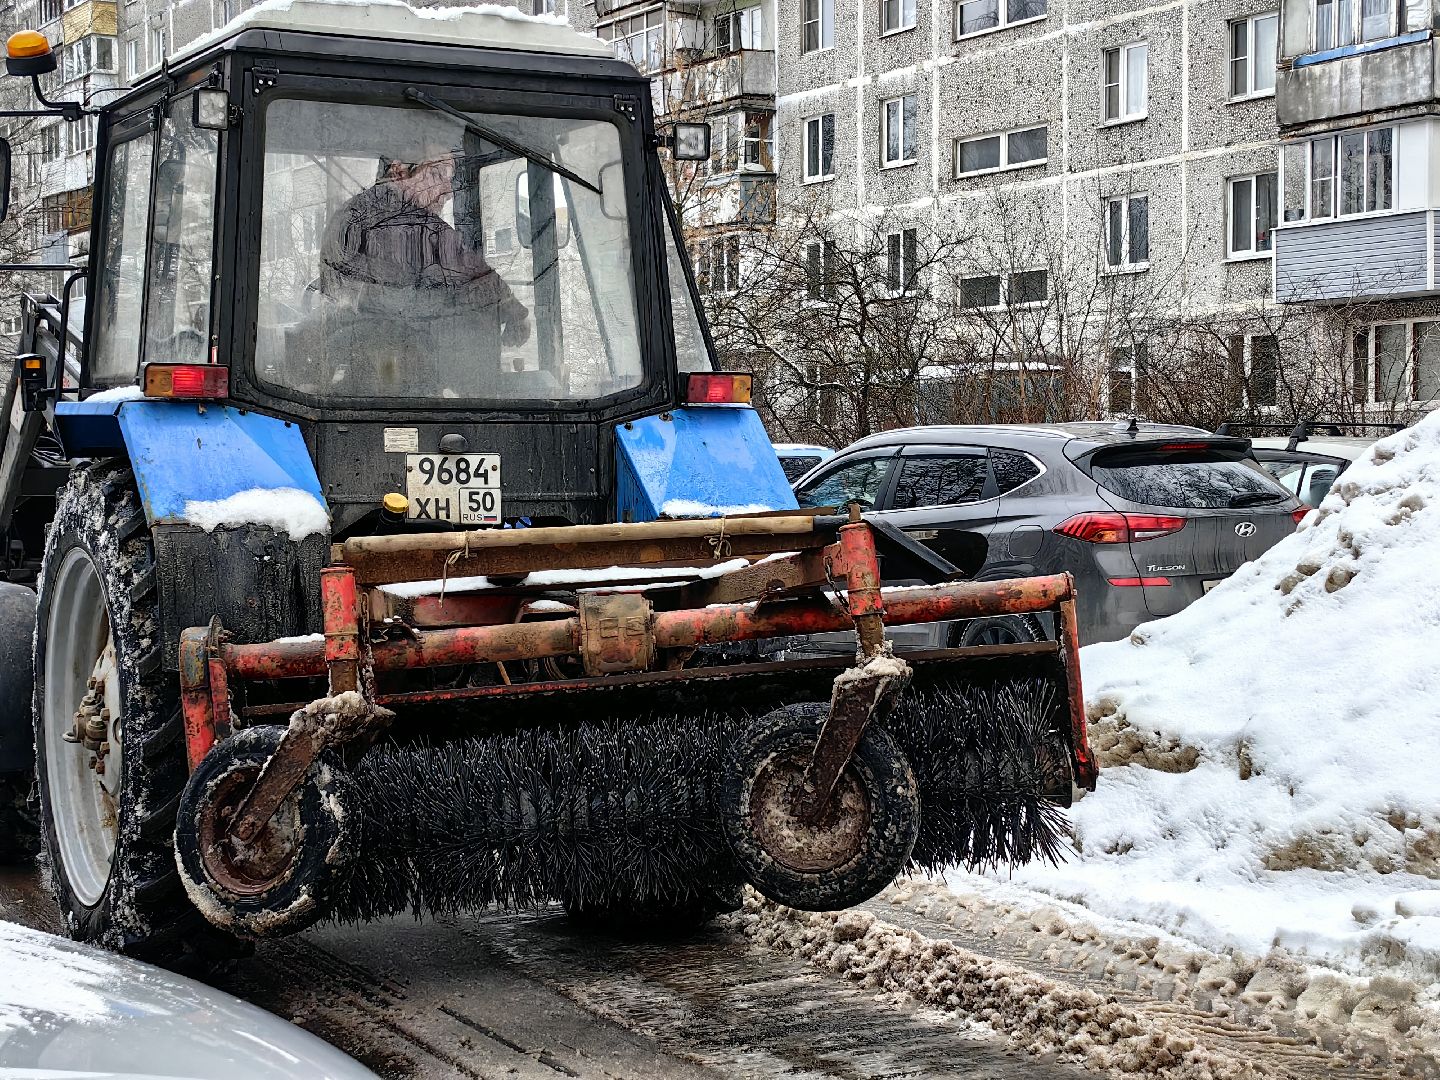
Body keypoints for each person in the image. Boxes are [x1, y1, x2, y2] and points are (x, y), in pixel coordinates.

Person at [319, 146, 531, 348]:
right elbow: (473, 272)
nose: (448, 190)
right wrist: (514, 313)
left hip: (360, 347)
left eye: (449, 179)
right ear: (399, 171)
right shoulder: (417, 225)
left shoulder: (348, 214)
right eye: (437, 174)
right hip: (404, 352)